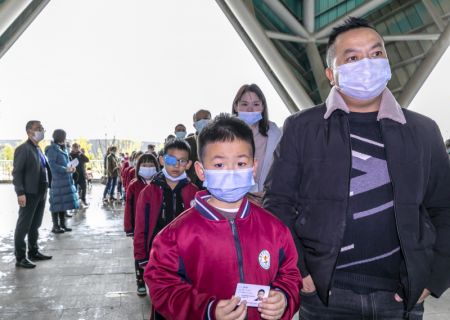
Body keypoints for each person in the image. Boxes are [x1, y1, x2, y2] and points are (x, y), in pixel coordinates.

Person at [263, 17, 450, 319]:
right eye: (352, 57)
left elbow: (444, 208)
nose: (367, 64)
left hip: (400, 296)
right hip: (326, 295)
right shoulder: (303, 128)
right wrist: (300, 270)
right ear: (331, 74)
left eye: (376, 54)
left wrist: (433, 279)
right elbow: (278, 203)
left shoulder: (423, 131)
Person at [145, 114, 300, 319]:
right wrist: (207, 310)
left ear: (253, 167)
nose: (231, 172)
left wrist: (284, 297)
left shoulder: (274, 229)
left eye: (241, 163)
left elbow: (290, 275)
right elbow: (162, 287)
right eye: (219, 165)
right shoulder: (175, 236)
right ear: (201, 171)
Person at [134, 139, 198, 304]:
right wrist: (141, 256)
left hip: (186, 257)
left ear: (189, 164)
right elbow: (140, 226)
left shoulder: (194, 193)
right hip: (157, 256)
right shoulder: (148, 192)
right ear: (162, 160)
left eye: (182, 161)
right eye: (171, 160)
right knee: (162, 301)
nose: (176, 165)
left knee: (184, 300)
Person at [12, 120, 53, 268]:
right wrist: (20, 192)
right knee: (23, 225)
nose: (42, 130)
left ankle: (33, 251)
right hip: (29, 193)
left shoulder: (38, 148)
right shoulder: (23, 149)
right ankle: (20, 257)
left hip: (41, 191)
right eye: (38, 128)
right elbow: (17, 173)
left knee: (35, 224)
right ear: (29, 131)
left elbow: (43, 169)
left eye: (42, 128)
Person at [232, 84, 282, 200]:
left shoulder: (275, 134)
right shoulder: (223, 134)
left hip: (266, 198)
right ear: (236, 106)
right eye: (244, 104)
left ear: (263, 107)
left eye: (256, 104)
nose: (250, 109)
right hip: (234, 199)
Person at [124, 153, 160, 296]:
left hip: (155, 227)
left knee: (155, 254)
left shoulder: (159, 185)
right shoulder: (134, 185)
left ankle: (155, 281)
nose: (148, 168)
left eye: (151, 165)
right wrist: (129, 228)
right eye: (144, 165)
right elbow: (128, 208)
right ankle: (140, 281)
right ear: (139, 167)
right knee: (140, 253)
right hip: (138, 228)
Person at [46, 129, 79, 233]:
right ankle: (55, 226)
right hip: (57, 180)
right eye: (64, 136)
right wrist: (65, 169)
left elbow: (67, 163)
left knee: (62, 203)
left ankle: (63, 224)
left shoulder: (63, 148)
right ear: (61, 137)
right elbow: (52, 165)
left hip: (65, 179)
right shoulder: (52, 149)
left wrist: (72, 168)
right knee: (56, 203)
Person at [185, 109, 212, 188]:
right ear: (194, 125)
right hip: (191, 184)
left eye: (205, 118)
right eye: (199, 119)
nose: (203, 121)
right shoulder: (186, 143)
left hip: (212, 184)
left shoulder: (219, 140)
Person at [70, 143, 90, 207]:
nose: (76, 149)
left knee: (84, 188)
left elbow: (87, 160)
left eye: (77, 147)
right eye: (74, 147)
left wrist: (81, 153)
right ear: (72, 148)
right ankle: (74, 202)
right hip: (74, 175)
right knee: (74, 189)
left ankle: (83, 199)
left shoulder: (81, 154)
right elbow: (68, 163)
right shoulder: (70, 155)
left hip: (82, 174)